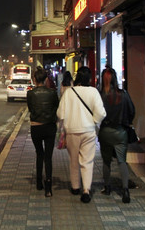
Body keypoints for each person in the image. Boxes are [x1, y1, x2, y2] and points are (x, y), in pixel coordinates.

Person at [57, 66, 106, 203]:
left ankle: (75, 187)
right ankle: (86, 189)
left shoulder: (69, 92)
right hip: (88, 130)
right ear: (89, 78)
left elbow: (60, 113)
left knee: (73, 160)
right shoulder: (93, 92)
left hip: (72, 130)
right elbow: (101, 113)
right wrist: (94, 121)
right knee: (87, 161)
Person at [98, 66, 135, 203]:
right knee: (122, 161)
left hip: (105, 132)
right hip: (121, 132)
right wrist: (127, 122)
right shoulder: (124, 94)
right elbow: (132, 111)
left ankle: (107, 187)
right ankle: (125, 190)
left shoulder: (101, 95)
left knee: (106, 161)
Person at [27, 66, 60, 197]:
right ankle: (48, 187)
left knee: (39, 154)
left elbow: (30, 109)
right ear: (46, 79)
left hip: (36, 127)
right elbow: (56, 107)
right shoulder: (52, 93)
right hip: (50, 127)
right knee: (48, 157)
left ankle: (39, 182)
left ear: (34, 79)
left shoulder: (30, 93)